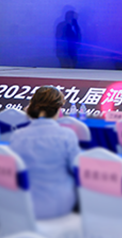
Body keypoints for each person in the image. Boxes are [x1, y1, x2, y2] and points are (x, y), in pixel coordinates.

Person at [9, 86, 79, 219]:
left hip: (22, 205)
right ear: (59, 109)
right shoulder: (67, 135)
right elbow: (77, 168)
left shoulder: (17, 136)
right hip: (58, 206)